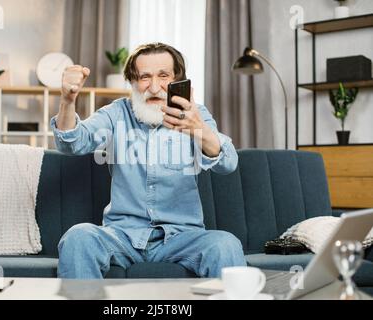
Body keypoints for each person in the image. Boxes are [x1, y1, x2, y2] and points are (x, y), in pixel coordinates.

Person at [51, 42, 246, 279]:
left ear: (177, 80)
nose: (154, 87)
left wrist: (200, 129)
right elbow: (71, 143)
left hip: (182, 237)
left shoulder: (196, 115)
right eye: (144, 77)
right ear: (133, 82)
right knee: (78, 237)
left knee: (226, 244)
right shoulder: (116, 113)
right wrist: (67, 100)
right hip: (122, 236)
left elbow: (229, 164)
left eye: (163, 75)